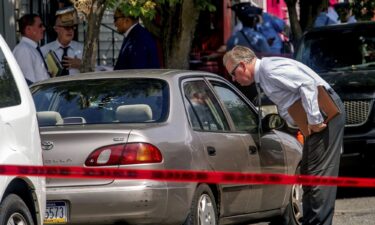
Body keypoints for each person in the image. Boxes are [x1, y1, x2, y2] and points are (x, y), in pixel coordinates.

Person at [223, 45, 345, 225]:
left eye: (233, 73)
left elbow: (307, 84)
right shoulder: (265, 74)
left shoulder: (269, 70)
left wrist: (314, 120)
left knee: (318, 177)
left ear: (242, 65)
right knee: (310, 175)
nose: (233, 79)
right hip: (317, 120)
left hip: (324, 117)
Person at [41, 7, 83, 76]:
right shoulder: (44, 51)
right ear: (56, 29)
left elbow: (96, 71)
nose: (70, 30)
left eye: (72, 27)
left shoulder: (83, 49)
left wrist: (82, 65)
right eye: (66, 27)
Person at [13, 14, 50, 85]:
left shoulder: (30, 48)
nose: (43, 28)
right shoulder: (23, 49)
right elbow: (28, 83)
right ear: (28, 30)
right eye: (40, 26)